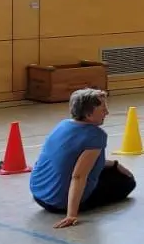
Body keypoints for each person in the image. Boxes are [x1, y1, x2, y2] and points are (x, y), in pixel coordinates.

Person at [30, 88, 136, 228]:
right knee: (127, 182)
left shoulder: (63, 125)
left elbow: (72, 160)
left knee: (112, 172)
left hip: (39, 194)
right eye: (102, 109)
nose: (107, 113)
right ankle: (73, 204)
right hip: (59, 203)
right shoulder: (95, 135)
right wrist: (71, 214)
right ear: (88, 114)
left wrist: (115, 165)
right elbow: (78, 176)